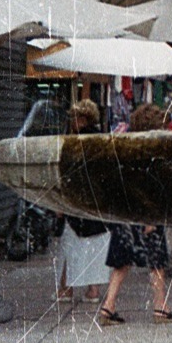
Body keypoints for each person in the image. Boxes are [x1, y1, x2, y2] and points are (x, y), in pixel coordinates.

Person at [97, 104, 172, 326]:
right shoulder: (151, 151)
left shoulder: (127, 148)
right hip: (145, 214)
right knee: (157, 262)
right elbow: (150, 187)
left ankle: (108, 307)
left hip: (125, 214)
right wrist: (151, 218)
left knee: (121, 262)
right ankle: (160, 308)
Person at [54, 98, 109, 306]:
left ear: (83, 118)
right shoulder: (101, 139)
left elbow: (67, 173)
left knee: (70, 243)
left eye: (75, 117)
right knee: (95, 245)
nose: (72, 121)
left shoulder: (75, 141)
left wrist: (60, 203)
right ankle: (93, 290)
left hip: (76, 200)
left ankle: (65, 289)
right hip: (97, 202)